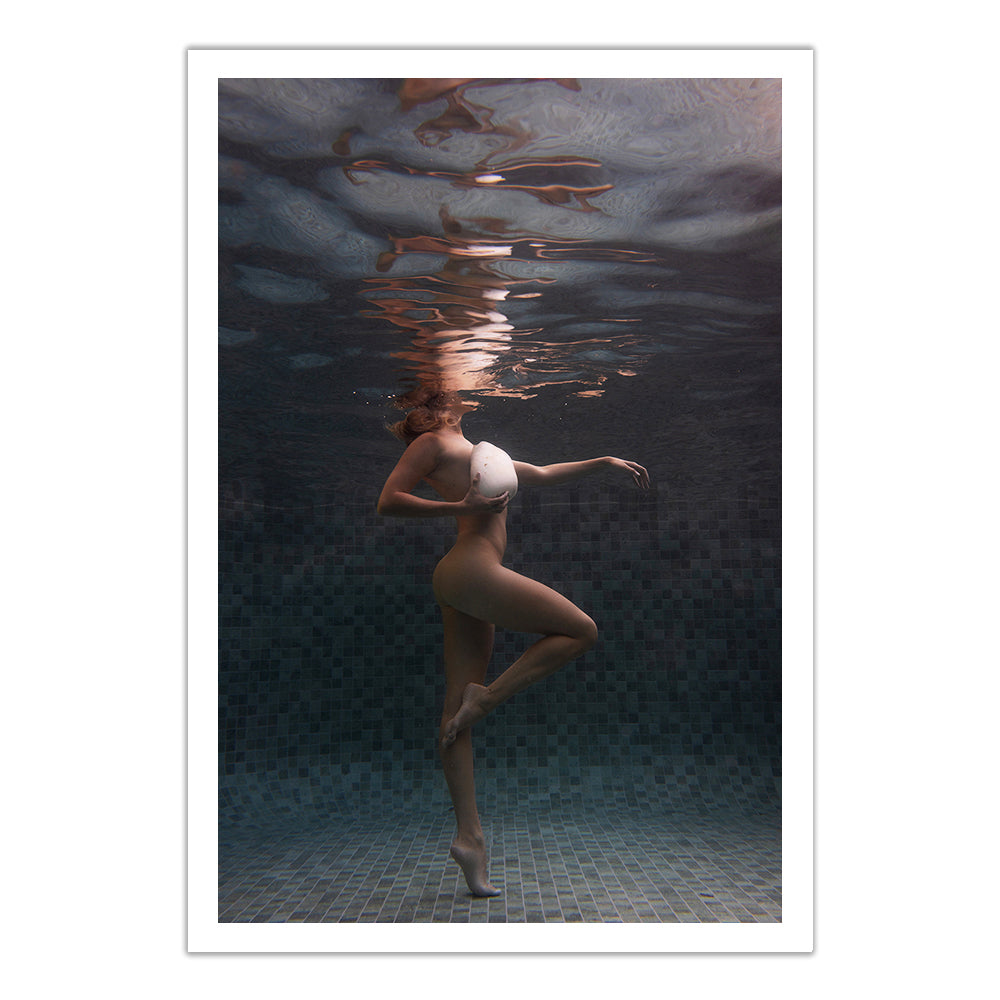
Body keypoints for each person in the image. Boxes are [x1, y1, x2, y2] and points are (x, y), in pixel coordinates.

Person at [376, 392, 649, 896]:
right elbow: (388, 500)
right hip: (471, 570)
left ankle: (470, 838)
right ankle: (490, 699)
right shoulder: (434, 442)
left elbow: (542, 473)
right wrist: (461, 505)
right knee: (581, 631)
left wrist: (604, 462)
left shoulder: (476, 448)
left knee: (455, 707)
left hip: (467, 579)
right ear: (441, 401)